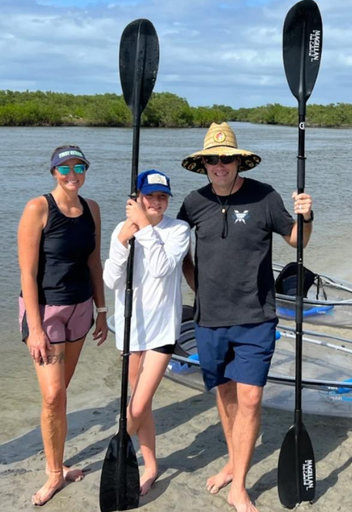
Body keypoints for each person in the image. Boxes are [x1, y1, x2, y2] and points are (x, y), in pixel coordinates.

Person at [177, 122, 313, 512]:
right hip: (209, 319)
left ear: (239, 162)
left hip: (256, 315)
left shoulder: (265, 197)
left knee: (250, 399)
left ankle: (239, 486)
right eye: (212, 160)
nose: (220, 166)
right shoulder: (193, 202)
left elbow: (297, 239)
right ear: (203, 164)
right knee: (225, 397)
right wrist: (196, 286)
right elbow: (174, 248)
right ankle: (234, 464)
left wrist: (307, 215)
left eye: (227, 159)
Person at [17, 144, 109, 506]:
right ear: (53, 171)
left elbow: (94, 262)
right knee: (53, 395)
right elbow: (26, 271)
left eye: (79, 166)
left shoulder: (92, 209)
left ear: (86, 169)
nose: (72, 175)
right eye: (64, 168)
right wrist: (35, 327)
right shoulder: (38, 207)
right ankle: (55, 473)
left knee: (60, 393)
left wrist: (101, 310)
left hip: (81, 309)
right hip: (46, 311)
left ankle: (58, 459)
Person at [103, 170, 190, 496]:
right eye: (150, 196)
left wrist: (145, 229)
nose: (157, 202)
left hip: (162, 331)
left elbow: (162, 269)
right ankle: (151, 465)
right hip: (130, 329)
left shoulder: (178, 230)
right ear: (137, 197)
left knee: (136, 407)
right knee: (144, 402)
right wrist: (124, 242)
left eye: (162, 196)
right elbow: (111, 279)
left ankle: (119, 450)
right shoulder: (121, 229)